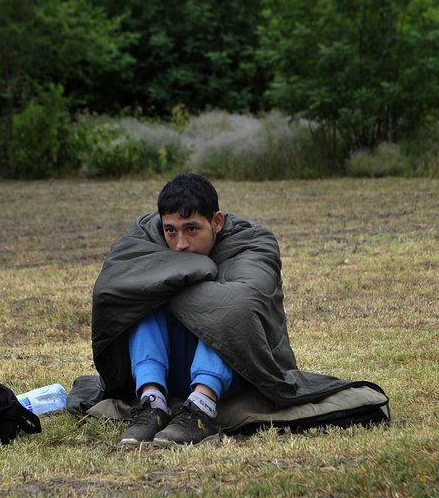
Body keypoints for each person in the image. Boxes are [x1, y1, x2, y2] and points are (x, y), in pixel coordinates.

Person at [89, 173, 385, 447]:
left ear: (216, 221)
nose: (180, 244)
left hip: (238, 366)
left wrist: (176, 278)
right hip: (170, 367)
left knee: (225, 308)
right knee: (143, 298)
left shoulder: (256, 242)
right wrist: (189, 272)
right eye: (171, 231)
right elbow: (112, 287)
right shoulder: (145, 234)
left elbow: (241, 303)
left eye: (192, 229)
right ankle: (152, 403)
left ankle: (201, 410)